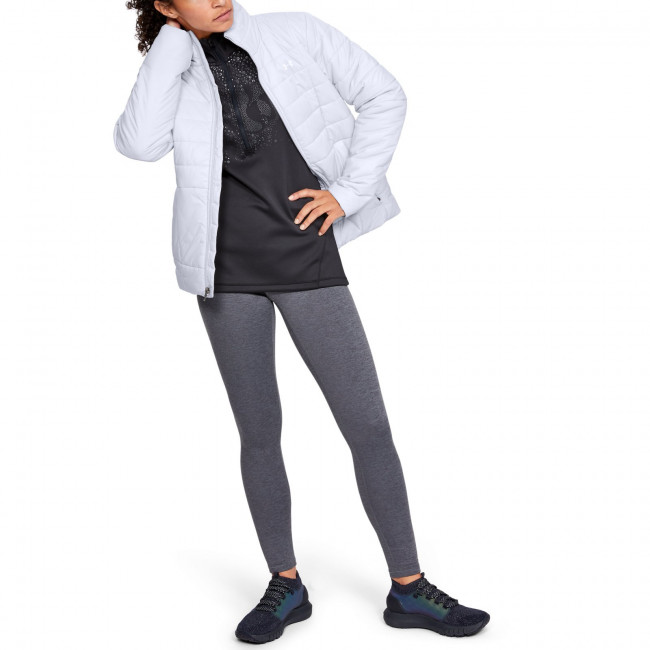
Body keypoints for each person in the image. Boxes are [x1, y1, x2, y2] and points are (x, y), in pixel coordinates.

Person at [114, 0, 490, 643]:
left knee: (367, 425)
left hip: (305, 253)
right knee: (259, 432)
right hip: (225, 270)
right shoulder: (173, 65)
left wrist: (349, 192)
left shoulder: (293, 31)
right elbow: (138, 143)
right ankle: (285, 585)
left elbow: (385, 94)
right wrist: (171, 42)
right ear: (166, 6)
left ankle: (409, 587)